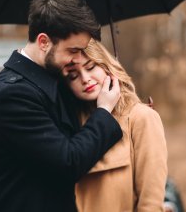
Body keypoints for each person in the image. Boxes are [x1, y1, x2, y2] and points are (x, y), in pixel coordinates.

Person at [0, 0, 123, 212]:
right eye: (73, 50)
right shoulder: (13, 94)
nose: (77, 59)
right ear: (44, 42)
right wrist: (104, 110)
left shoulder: (49, 78)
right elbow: (69, 162)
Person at [62, 40, 168, 212]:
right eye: (73, 75)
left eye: (90, 67)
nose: (85, 79)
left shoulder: (141, 118)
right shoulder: (69, 123)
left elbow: (151, 203)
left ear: (106, 66)